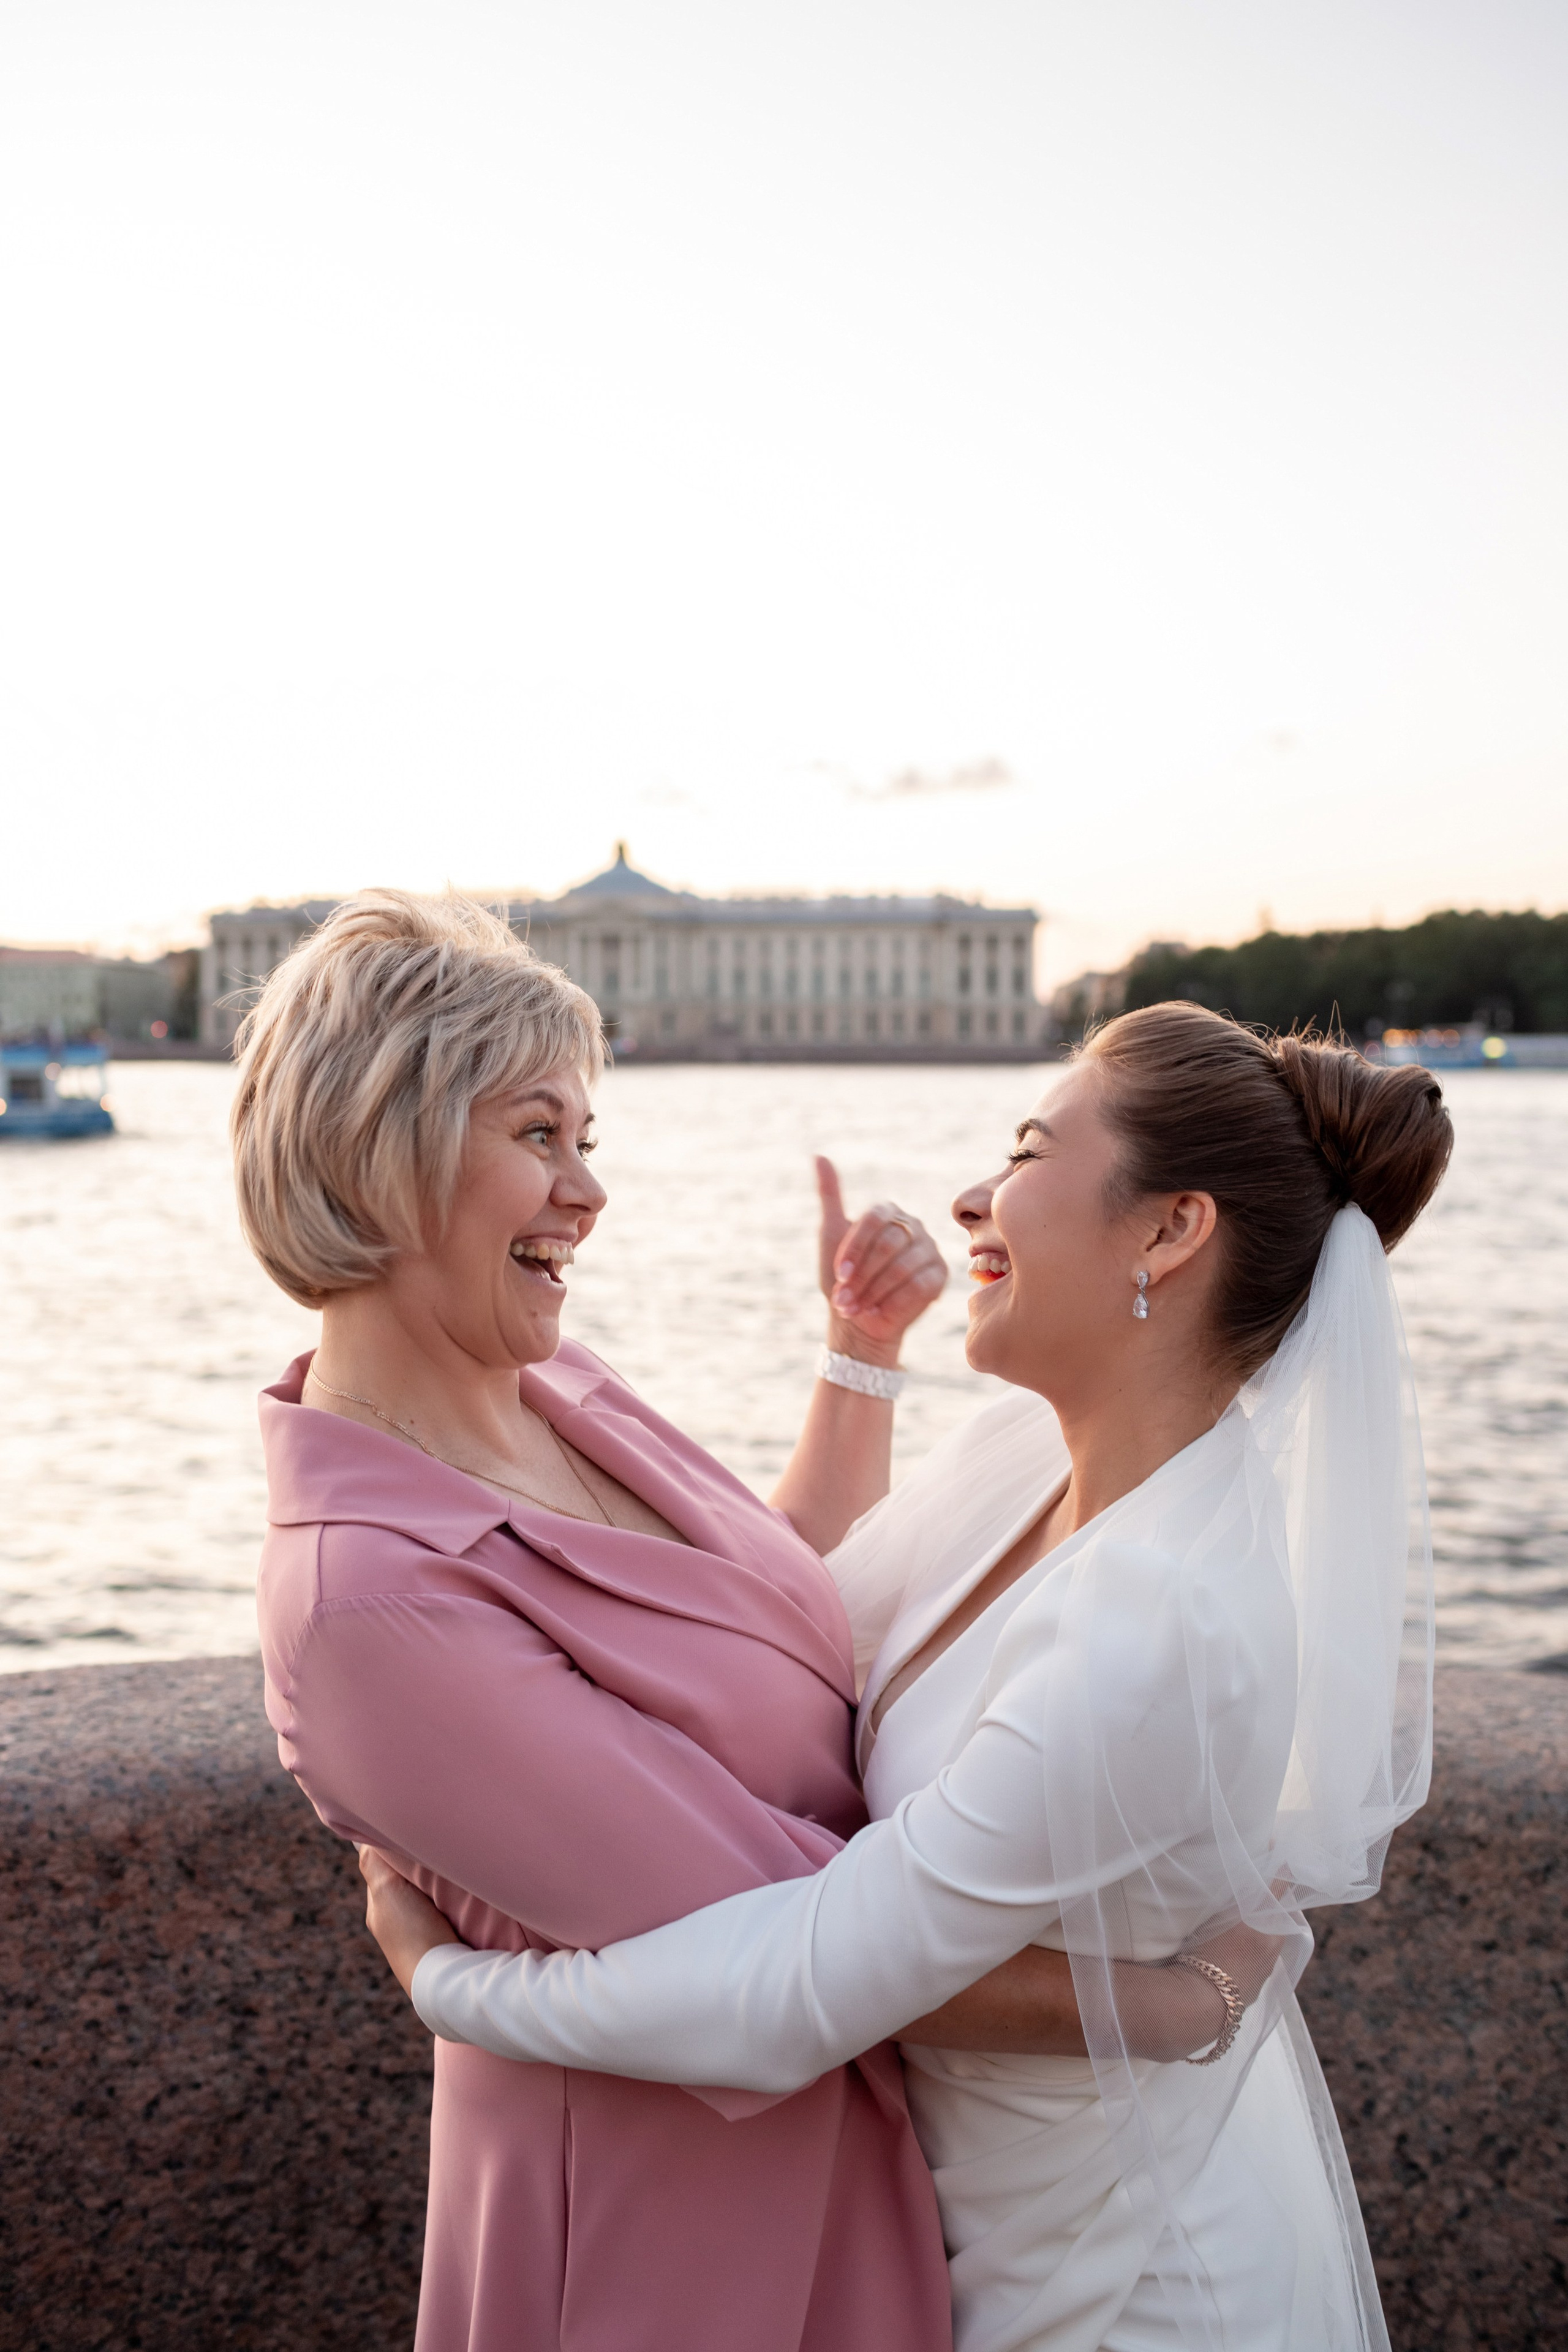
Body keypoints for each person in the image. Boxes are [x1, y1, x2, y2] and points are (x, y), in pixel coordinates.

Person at [361, 1003, 1453, 2352]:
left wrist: (458, 1990)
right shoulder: (1026, 1461)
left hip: (1121, 2292)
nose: (971, 1196)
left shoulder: (1157, 1621)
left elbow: (819, 1980)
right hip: (971, 2230)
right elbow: (778, 1635)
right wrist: (859, 1351)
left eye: (1027, 1150)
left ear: (1168, 1233)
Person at [237, 892, 1223, 2352]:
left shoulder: (555, 1387)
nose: (587, 1191)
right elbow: (803, 1957)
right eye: (537, 1137)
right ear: (378, 1152)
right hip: (678, 2251)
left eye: (588, 1142)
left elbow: (771, 1615)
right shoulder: (367, 1609)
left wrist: (859, 1356)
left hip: (825, 2172)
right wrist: (1185, 2002)